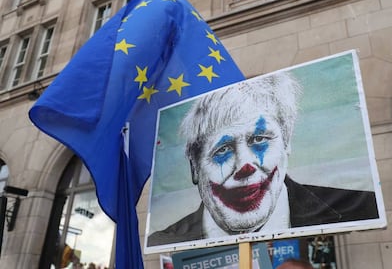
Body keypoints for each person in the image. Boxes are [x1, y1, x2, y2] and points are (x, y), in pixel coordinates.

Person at [147, 72, 379, 246]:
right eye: (223, 149)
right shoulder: (164, 241)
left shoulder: (362, 208)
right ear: (195, 169)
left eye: (259, 139)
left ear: (286, 143)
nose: (244, 166)